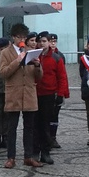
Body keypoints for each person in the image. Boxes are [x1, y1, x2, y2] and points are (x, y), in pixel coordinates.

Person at [0, 23, 43, 169]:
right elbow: (4, 73)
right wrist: (18, 61)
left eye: (24, 37)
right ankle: (11, 157)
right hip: (14, 94)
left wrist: (37, 65)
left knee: (29, 127)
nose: (22, 40)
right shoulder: (6, 53)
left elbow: (39, 76)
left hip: (29, 94)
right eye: (19, 37)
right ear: (13, 37)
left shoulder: (31, 51)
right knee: (12, 127)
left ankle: (28, 156)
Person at [34, 31, 68, 165]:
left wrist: (60, 94)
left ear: (49, 43)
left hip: (49, 95)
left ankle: (46, 151)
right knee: (35, 125)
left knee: (46, 125)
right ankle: (35, 151)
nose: (42, 44)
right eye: (40, 41)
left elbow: (62, 77)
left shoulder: (56, 58)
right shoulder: (33, 56)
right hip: (35, 94)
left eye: (44, 41)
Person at [47, 34, 66, 148]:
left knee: (55, 116)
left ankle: (53, 137)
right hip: (47, 90)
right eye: (51, 41)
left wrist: (62, 92)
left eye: (55, 41)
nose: (53, 43)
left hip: (57, 90)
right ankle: (47, 137)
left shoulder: (60, 56)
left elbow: (62, 76)